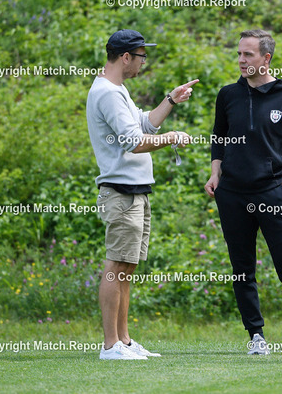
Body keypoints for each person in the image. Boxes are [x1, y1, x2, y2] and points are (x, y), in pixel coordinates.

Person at [87, 29, 198, 360]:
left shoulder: (118, 90)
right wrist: (172, 138)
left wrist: (170, 100)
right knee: (116, 265)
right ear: (125, 57)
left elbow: (144, 125)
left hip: (134, 190)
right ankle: (111, 345)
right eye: (141, 56)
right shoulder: (107, 93)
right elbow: (134, 142)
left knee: (126, 266)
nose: (143, 62)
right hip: (121, 192)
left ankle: (124, 341)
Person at [205, 29, 282, 356]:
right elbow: (218, 138)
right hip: (232, 194)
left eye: (248, 54)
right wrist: (215, 174)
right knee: (243, 269)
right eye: (239, 54)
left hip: (273, 193)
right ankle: (256, 336)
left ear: (266, 58)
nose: (241, 60)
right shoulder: (228, 95)